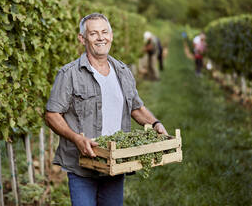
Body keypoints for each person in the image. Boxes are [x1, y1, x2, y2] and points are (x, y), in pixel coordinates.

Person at [45, 13, 168, 206]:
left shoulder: (122, 71)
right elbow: (52, 115)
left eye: (104, 32)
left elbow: (136, 107)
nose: (100, 37)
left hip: (115, 163)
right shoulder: (69, 74)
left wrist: (155, 123)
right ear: (82, 38)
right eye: (93, 33)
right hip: (82, 166)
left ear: (111, 35)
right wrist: (77, 139)